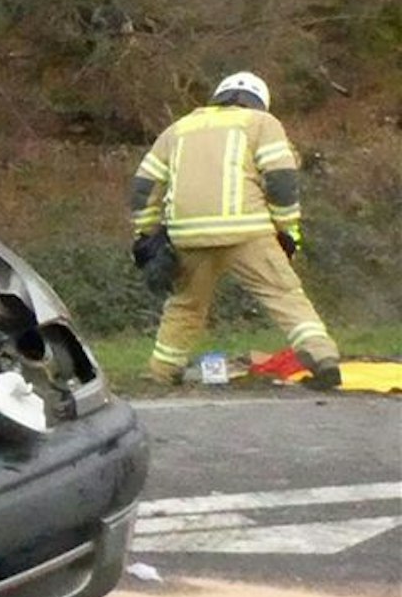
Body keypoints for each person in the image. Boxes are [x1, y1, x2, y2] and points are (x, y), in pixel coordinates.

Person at [129, 71, 341, 388]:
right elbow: (281, 178)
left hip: (188, 235)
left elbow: (144, 186)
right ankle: (322, 358)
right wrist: (285, 226)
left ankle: (162, 371)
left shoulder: (178, 129)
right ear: (259, 102)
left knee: (186, 305)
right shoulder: (260, 123)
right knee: (284, 295)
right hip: (248, 230)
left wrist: (146, 232)